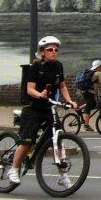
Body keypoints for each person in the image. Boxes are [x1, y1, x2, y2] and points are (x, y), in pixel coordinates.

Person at [9, 35, 77, 185]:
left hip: (48, 106)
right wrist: (39, 95)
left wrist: (69, 101)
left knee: (58, 140)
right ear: (42, 52)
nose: (54, 52)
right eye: (50, 49)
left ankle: (62, 176)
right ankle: (13, 168)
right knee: (28, 140)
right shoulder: (35, 67)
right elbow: (29, 89)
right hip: (33, 107)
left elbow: (62, 86)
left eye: (56, 49)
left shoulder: (58, 66)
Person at [78, 59, 101, 131]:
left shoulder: (90, 72)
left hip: (84, 91)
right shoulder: (98, 73)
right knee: (90, 105)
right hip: (89, 92)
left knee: (91, 103)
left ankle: (79, 108)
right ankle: (86, 125)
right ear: (98, 66)